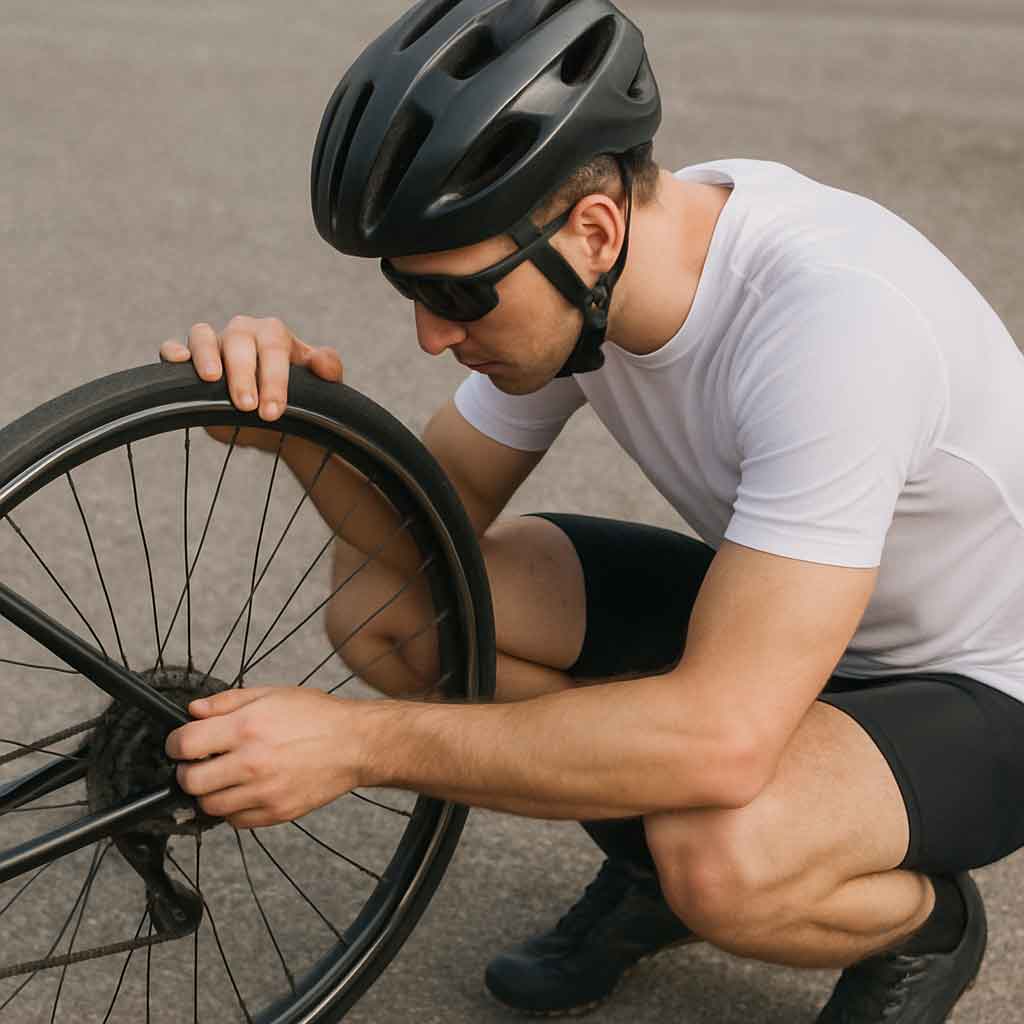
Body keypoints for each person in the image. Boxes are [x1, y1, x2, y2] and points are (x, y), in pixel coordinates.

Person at [160, 1, 1024, 1021]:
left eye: (459, 297)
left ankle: (918, 922)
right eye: (408, 288)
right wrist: (292, 424)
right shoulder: (596, 276)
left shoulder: (834, 326)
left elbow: (720, 736)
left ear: (594, 229)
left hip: (976, 682)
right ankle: (653, 862)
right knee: (391, 610)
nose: (432, 334)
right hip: (798, 622)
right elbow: (420, 531)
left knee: (723, 852)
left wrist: (354, 744)